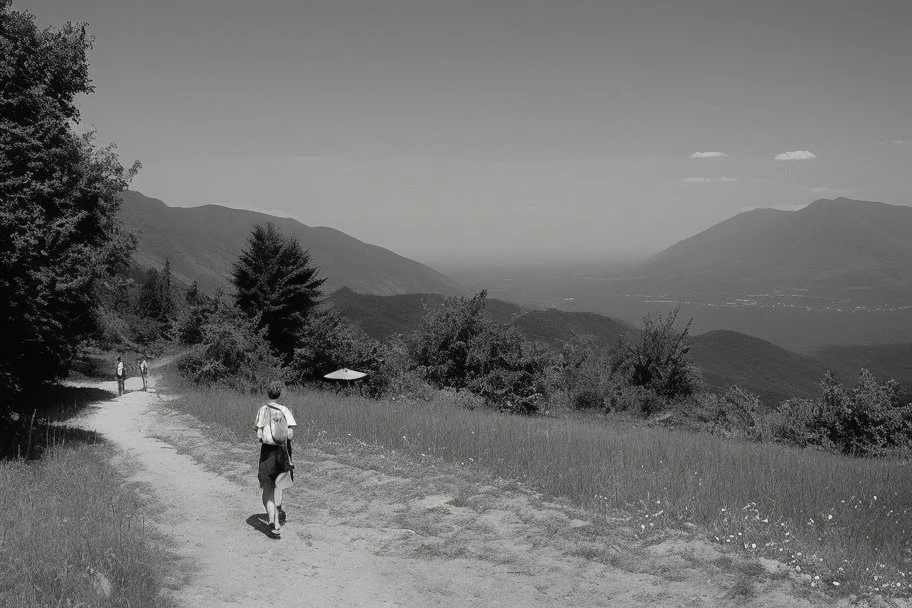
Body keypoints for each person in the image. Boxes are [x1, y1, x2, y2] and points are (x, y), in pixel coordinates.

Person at [254, 382, 296, 538]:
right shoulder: (285, 410)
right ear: (279, 394)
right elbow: (290, 434)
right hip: (282, 452)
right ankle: (279, 513)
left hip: (267, 453)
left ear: (268, 393)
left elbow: (258, 432)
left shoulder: (263, 409)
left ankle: (273, 523)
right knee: (279, 485)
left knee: (268, 488)